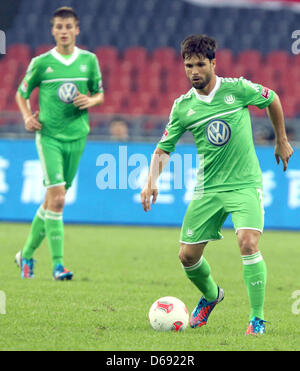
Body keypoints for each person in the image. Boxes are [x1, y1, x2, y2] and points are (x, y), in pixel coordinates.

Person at [140, 34, 293, 335]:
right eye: (188, 65)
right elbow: (164, 147)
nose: (194, 71)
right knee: (187, 256)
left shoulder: (237, 89)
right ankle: (212, 295)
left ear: (213, 63)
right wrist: (150, 182)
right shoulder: (183, 107)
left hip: (244, 184)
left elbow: (272, 98)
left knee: (248, 243)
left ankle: (257, 319)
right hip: (208, 188)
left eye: (199, 64)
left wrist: (282, 139)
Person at [14, 7, 104, 280]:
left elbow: (99, 93)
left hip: (77, 137)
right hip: (50, 137)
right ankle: (58, 265)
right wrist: (28, 116)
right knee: (60, 199)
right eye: (59, 27)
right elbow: (21, 93)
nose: (63, 31)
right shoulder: (41, 63)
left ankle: (26, 255)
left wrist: (90, 100)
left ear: (77, 30)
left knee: (51, 200)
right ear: (53, 30)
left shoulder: (89, 60)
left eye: (68, 27)